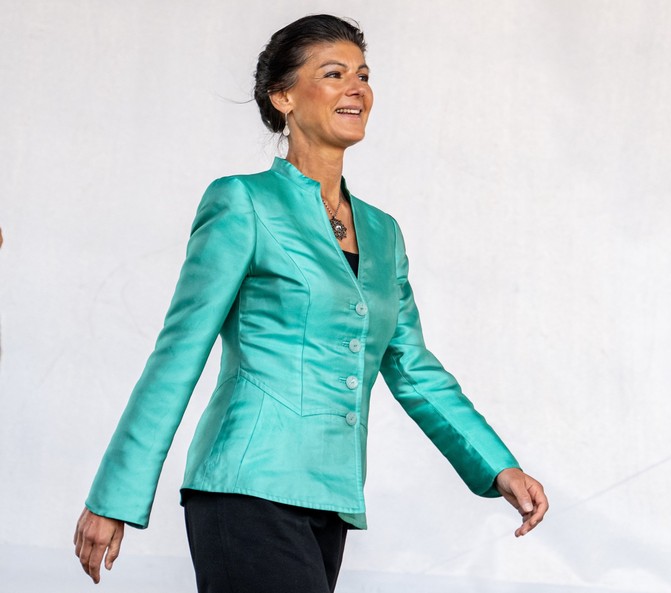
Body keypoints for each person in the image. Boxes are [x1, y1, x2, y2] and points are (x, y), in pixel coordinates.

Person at [74, 14, 548, 593]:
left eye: (364, 75)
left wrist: (497, 465)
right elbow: (178, 354)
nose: (357, 88)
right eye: (334, 73)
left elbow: (413, 368)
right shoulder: (242, 202)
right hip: (245, 487)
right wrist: (115, 496)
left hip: (333, 502)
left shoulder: (383, 233)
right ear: (283, 97)